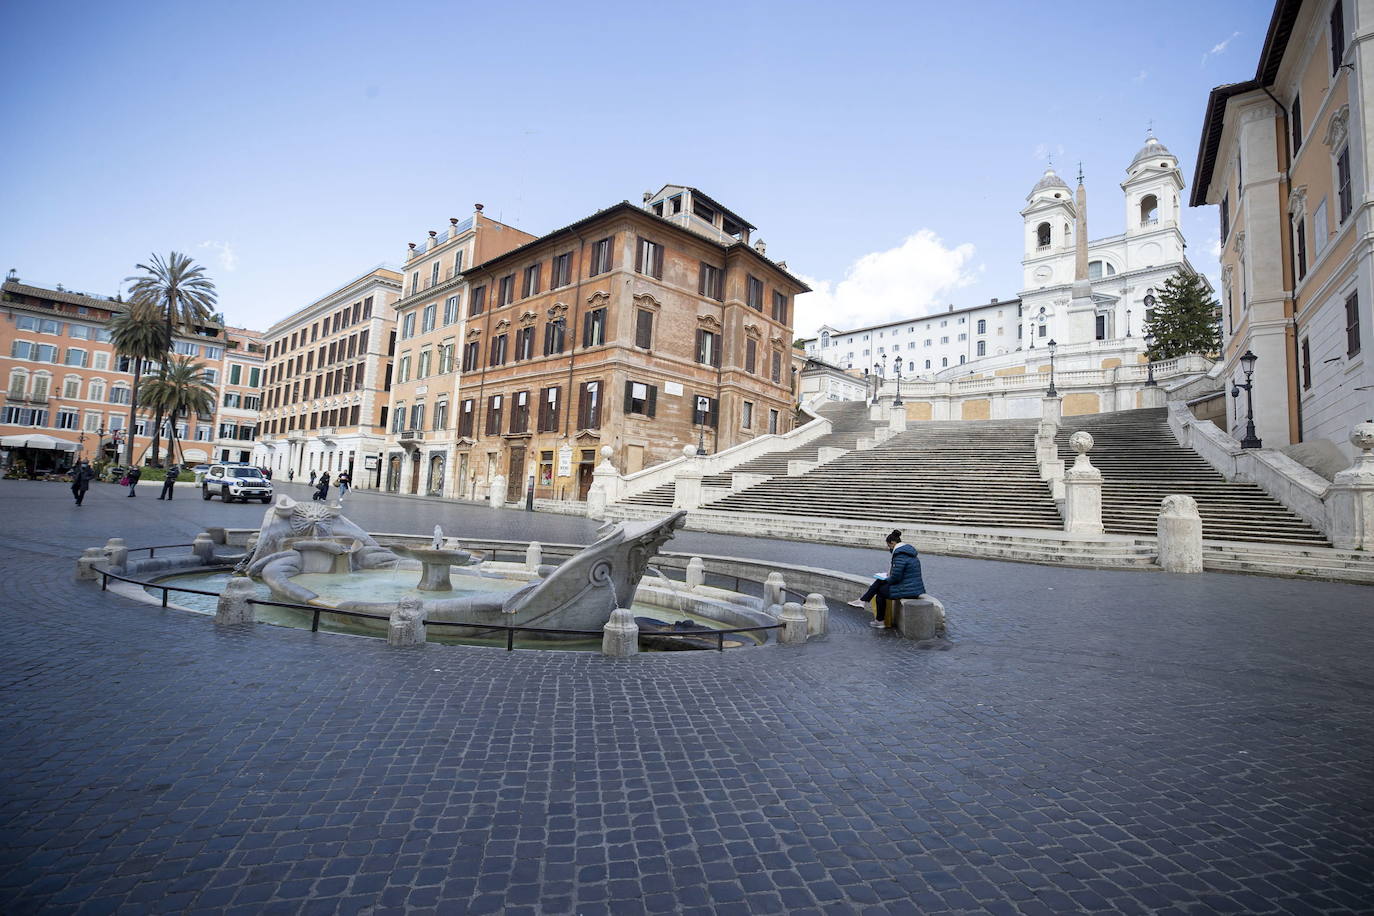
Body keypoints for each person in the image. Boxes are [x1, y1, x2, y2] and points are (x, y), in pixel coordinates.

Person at [849, 529, 926, 629]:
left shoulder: (900, 555)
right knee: (880, 585)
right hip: (911, 586)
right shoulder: (906, 552)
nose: (889, 549)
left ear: (893, 543)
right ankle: (866, 605)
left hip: (909, 589)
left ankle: (871, 610)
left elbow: (896, 578)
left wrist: (885, 579)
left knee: (880, 590)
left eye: (889, 546)